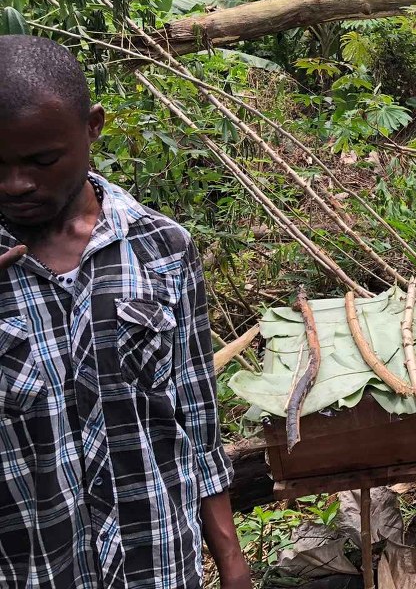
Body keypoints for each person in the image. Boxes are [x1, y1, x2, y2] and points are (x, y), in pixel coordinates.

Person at [0, 35, 250, 588]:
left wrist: (230, 558)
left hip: (155, 561)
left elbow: (195, 416)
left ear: (92, 127)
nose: (15, 184)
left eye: (42, 161)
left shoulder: (162, 249)